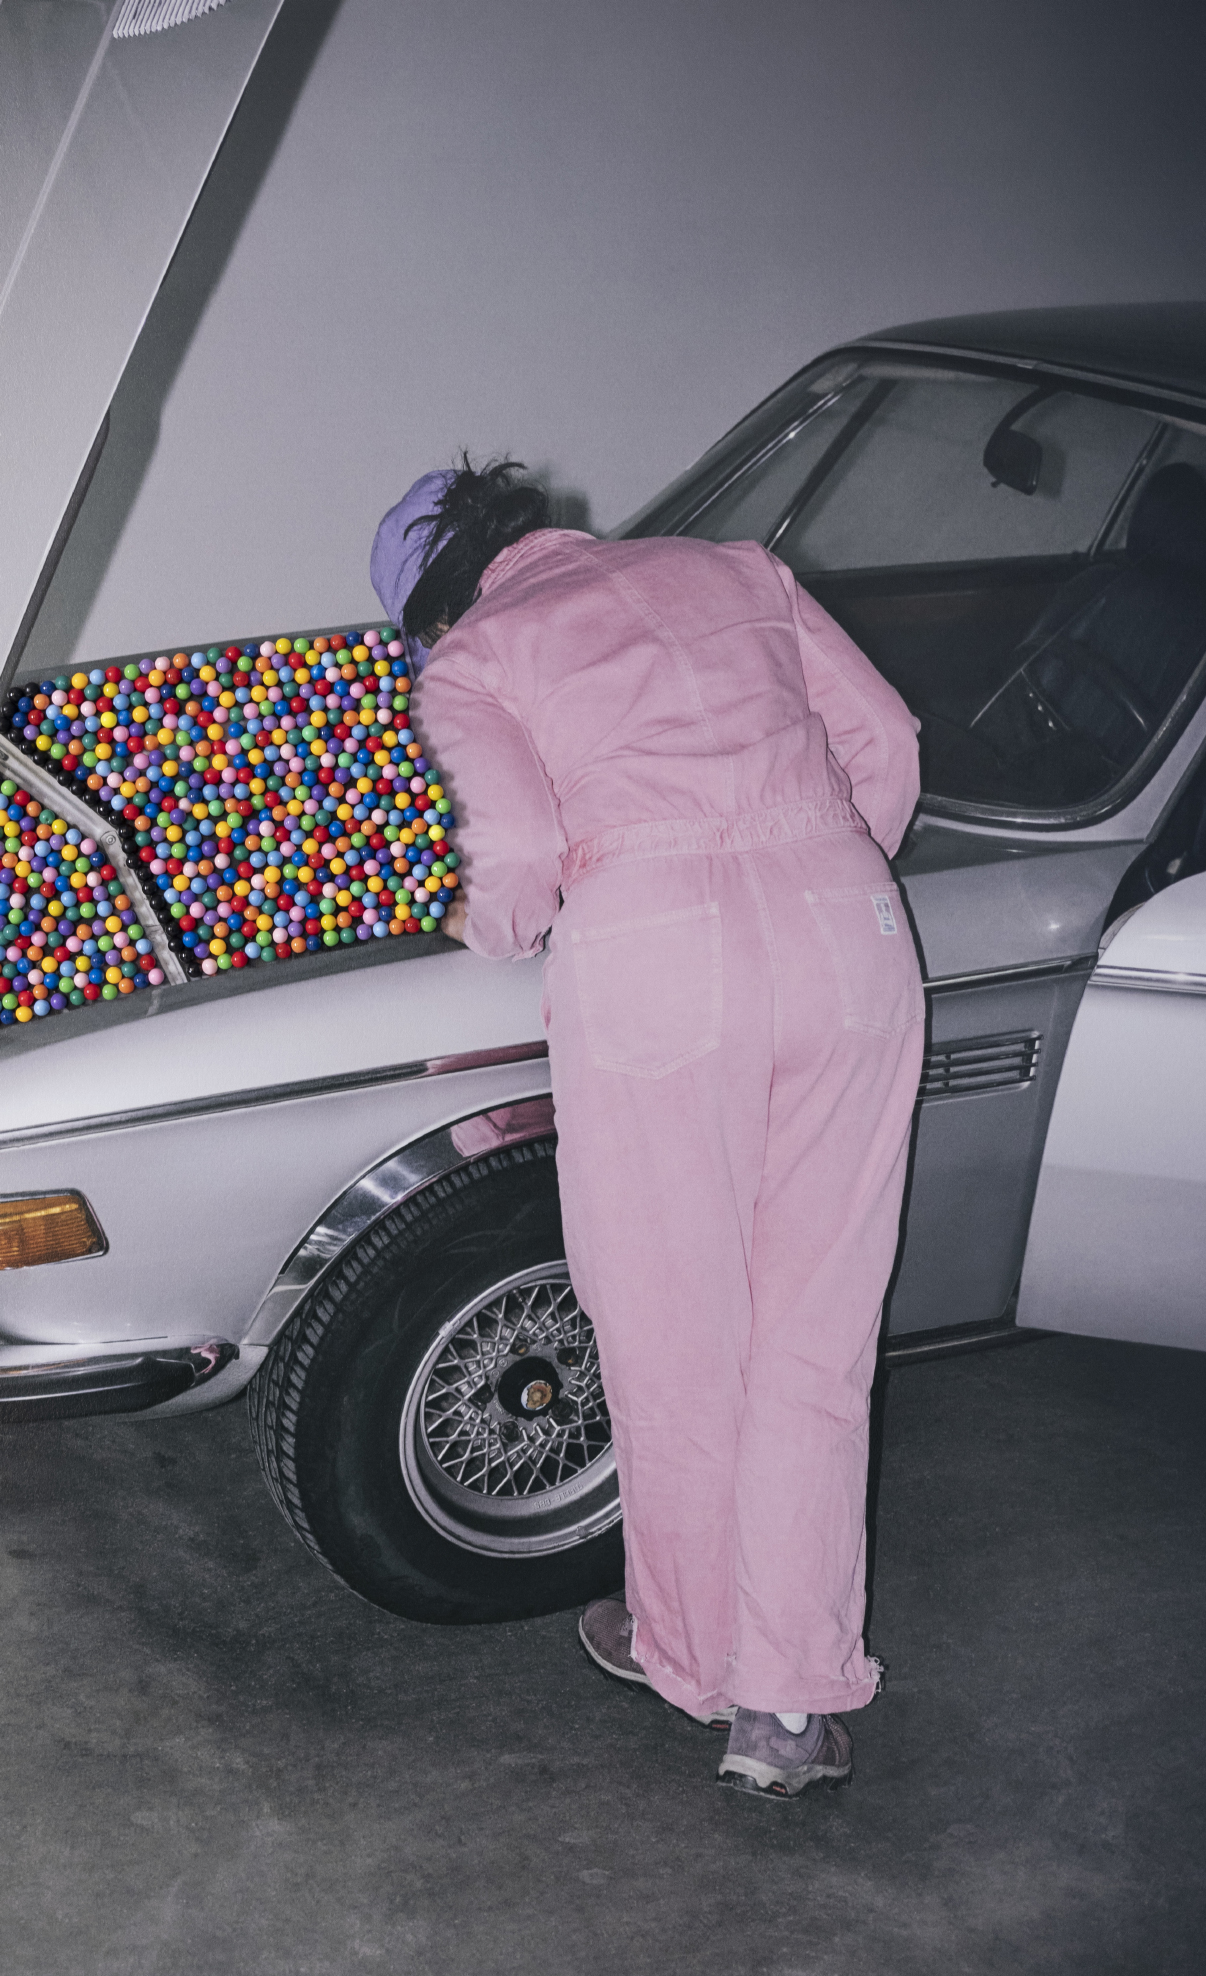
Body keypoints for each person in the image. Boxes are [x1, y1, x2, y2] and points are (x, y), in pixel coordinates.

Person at [371, 459, 923, 1801]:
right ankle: (785, 1709)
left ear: (431, 614)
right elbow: (889, 746)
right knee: (815, 1345)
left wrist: (500, 931)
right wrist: (815, 873)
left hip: (659, 967)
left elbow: (511, 862)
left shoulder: (476, 657)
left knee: (677, 1341)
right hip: (849, 940)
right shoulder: (737, 569)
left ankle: (688, 1649)